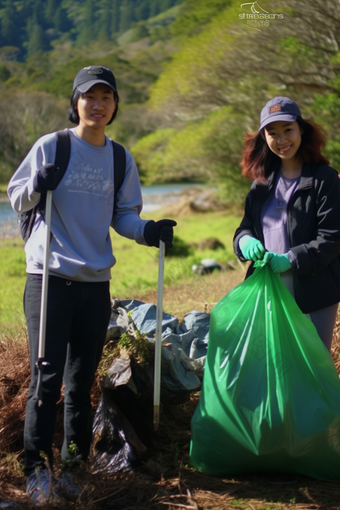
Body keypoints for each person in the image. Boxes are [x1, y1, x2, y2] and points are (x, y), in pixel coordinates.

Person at [7, 65, 176, 506]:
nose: (98, 105)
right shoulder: (54, 146)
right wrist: (38, 184)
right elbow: (17, 195)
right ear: (76, 102)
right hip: (49, 280)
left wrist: (148, 230)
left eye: (106, 97)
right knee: (47, 379)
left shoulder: (120, 158)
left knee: (81, 384)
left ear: (115, 105)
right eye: (89, 97)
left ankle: (74, 464)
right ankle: (36, 468)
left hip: (95, 283)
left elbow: (123, 215)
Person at [233, 96, 340, 352]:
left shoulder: (324, 178)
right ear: (264, 137)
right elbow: (245, 227)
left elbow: (332, 237)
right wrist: (244, 241)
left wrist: (291, 259)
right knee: (278, 366)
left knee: (314, 368)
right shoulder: (260, 183)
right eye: (272, 133)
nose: (281, 140)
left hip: (316, 291)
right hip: (270, 291)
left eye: (287, 130)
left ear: (301, 129)